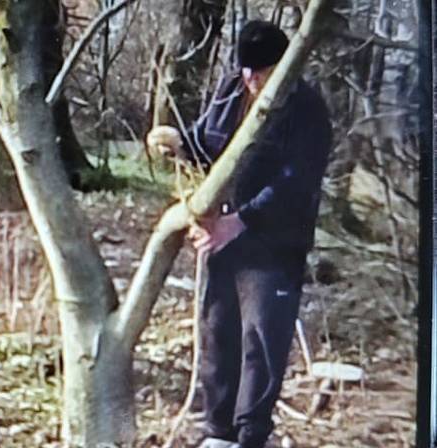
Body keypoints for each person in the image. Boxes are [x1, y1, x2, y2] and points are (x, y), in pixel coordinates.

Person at [147, 21, 332, 448]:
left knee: (260, 342)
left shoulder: (307, 110)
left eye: (261, 71)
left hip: (274, 245)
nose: (251, 79)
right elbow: (208, 143)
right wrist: (177, 142)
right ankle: (218, 433)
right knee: (218, 333)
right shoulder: (232, 87)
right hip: (222, 235)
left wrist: (241, 221)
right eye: (246, 69)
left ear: (285, 66)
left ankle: (251, 437)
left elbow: (295, 183)